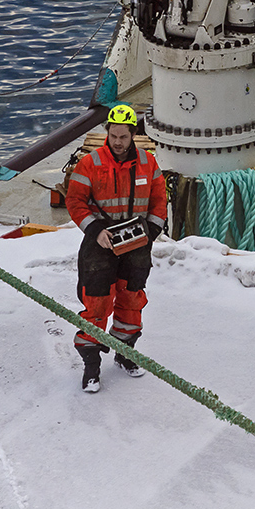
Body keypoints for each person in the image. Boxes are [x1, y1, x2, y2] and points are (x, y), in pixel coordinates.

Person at [66, 103, 167, 393]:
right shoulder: (90, 163)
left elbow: (159, 201)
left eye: (124, 137)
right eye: (114, 136)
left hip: (136, 243)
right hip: (101, 242)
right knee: (96, 304)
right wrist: (95, 230)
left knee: (131, 300)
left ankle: (126, 354)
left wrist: (152, 232)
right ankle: (91, 367)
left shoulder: (148, 163)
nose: (119, 142)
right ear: (107, 133)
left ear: (132, 134)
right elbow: (75, 201)